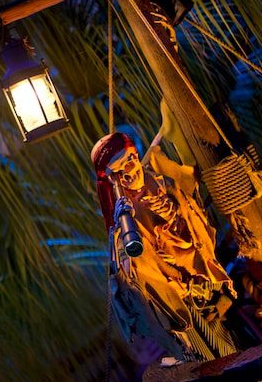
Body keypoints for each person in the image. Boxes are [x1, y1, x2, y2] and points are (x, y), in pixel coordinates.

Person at [91, 132, 238, 362]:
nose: (129, 171)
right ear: (112, 179)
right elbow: (134, 272)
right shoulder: (124, 222)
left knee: (235, 345)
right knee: (211, 359)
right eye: (118, 171)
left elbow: (195, 222)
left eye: (130, 160)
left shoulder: (165, 183)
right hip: (180, 304)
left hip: (207, 283)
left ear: (136, 155)